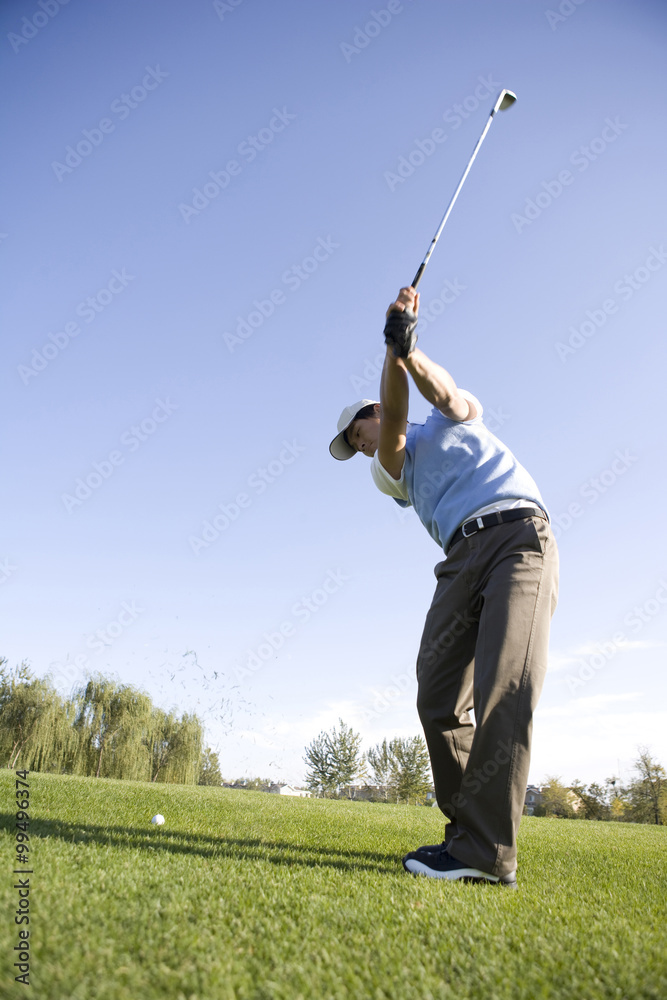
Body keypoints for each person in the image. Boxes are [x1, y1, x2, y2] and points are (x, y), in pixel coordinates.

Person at [329, 286, 559, 888]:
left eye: (359, 428)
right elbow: (398, 422)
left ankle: (487, 852)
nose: (362, 443)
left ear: (371, 410)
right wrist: (392, 348)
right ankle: (467, 833)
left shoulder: (453, 413)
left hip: (519, 536)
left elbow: (443, 394)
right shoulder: (389, 470)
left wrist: (408, 346)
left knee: (503, 684)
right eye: (355, 444)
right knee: (437, 694)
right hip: (461, 557)